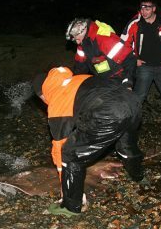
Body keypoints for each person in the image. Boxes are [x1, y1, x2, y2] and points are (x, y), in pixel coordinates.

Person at [32, 67, 144, 216]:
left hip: (108, 112)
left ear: (43, 92)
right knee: (126, 144)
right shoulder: (79, 79)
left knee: (70, 155)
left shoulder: (58, 97)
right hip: (133, 102)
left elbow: (60, 146)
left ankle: (71, 206)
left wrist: (64, 183)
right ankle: (138, 176)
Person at [120, 0, 161, 126]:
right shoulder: (135, 23)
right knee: (139, 97)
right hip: (144, 66)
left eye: (147, 8)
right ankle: (131, 124)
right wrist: (134, 58)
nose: (144, 11)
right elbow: (123, 42)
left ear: (154, 8)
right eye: (142, 8)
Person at [65, 18, 136, 89]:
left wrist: (127, 82)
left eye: (77, 39)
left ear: (83, 31)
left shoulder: (104, 39)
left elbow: (129, 59)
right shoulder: (82, 45)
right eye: (75, 40)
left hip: (118, 78)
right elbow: (80, 67)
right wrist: (73, 81)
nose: (77, 42)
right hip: (101, 79)